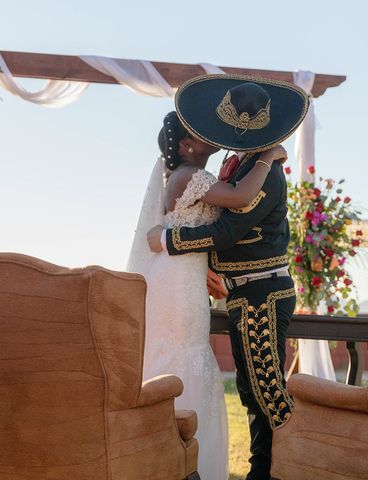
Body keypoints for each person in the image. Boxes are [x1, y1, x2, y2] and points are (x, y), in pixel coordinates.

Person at [148, 74, 309, 480]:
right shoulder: (239, 167)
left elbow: (227, 232)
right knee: (251, 391)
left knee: (268, 391)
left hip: (263, 292)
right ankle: (262, 469)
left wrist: (171, 241)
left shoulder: (266, 171)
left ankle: (290, 467)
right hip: (243, 293)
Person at [128, 109, 285, 480]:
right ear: (187, 146)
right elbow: (239, 197)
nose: (208, 131)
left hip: (187, 274)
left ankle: (183, 455)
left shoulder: (193, 174)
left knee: (190, 354)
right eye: (198, 132)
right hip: (177, 280)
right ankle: (174, 455)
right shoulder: (188, 176)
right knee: (181, 355)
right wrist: (269, 154)